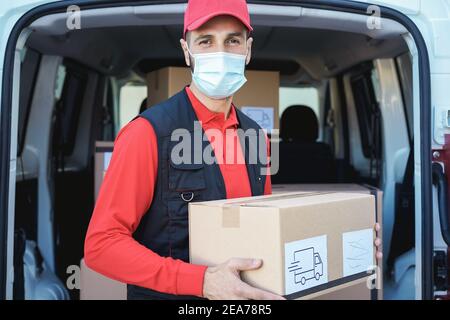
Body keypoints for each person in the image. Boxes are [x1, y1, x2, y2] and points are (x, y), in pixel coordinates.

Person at [84, 0, 382, 300]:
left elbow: (265, 229)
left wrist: (349, 244)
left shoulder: (257, 138)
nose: (220, 53)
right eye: (205, 41)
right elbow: (101, 246)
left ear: (248, 50)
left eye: (232, 41)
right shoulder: (147, 133)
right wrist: (201, 282)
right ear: (187, 52)